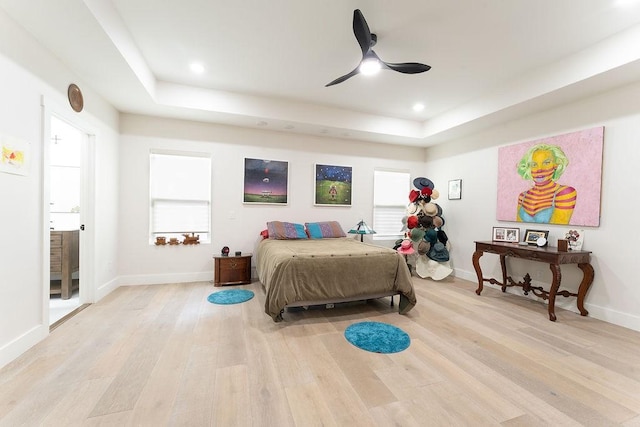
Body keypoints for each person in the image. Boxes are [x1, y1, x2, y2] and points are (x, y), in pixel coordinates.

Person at [516, 143, 576, 224]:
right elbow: (518, 227)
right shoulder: (523, 196)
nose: (539, 169)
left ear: (556, 165)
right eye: (534, 164)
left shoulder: (565, 193)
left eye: (546, 163)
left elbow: (558, 228)